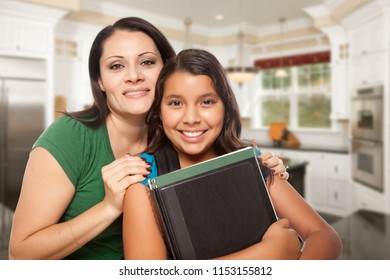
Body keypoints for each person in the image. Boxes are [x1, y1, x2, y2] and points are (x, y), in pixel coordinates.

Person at [8, 17, 288, 260]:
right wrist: (108, 207)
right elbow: (21, 254)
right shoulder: (69, 137)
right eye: (116, 66)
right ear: (101, 81)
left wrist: (260, 170)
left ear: (165, 71)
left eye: (147, 62)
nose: (134, 76)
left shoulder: (176, 134)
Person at [122, 49, 343, 260]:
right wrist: (267, 255)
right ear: (159, 112)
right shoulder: (143, 182)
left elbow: (325, 236)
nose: (191, 118)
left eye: (207, 102)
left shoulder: (252, 164)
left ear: (225, 108)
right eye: (176, 103)